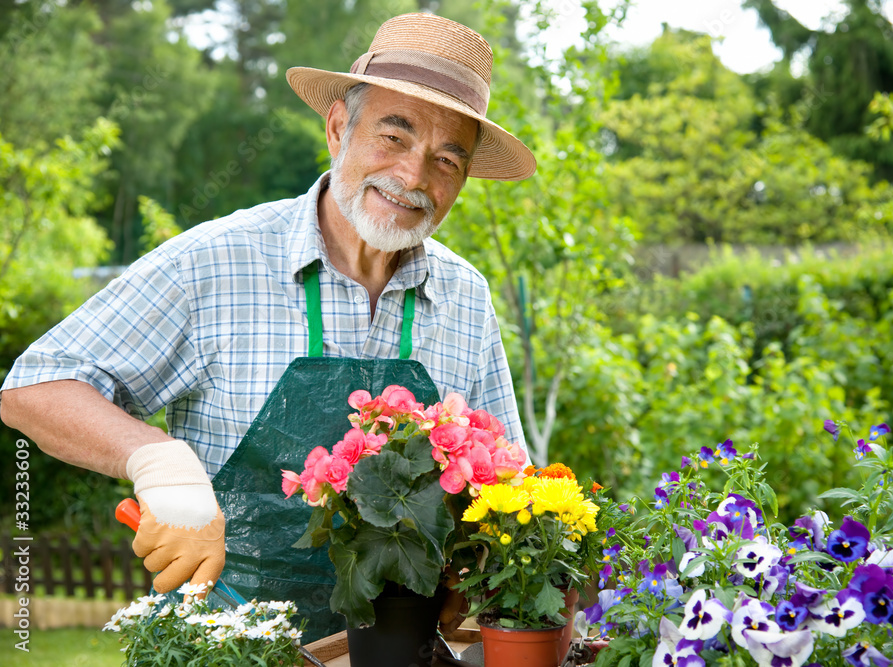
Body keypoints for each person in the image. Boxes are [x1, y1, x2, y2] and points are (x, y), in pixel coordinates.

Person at [0, 12, 534, 642]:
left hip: (394, 650)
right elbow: (35, 385)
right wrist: (158, 461)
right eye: (394, 136)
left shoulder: (464, 296)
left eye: (447, 159)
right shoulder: (214, 261)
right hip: (222, 646)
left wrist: (471, 566)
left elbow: (509, 479)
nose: (414, 177)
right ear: (339, 127)